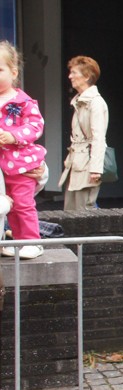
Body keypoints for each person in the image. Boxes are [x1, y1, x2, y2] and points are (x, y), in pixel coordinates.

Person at [0, 42, 46, 259]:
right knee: (8, 207)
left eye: (0, 70)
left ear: (14, 72)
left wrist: (14, 136)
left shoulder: (23, 101)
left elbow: (36, 125)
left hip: (19, 163)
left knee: (22, 204)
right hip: (3, 167)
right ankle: (18, 242)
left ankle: (31, 242)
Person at [58, 56, 108, 211]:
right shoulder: (80, 101)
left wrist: (96, 169)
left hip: (86, 164)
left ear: (86, 76)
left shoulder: (95, 103)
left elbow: (99, 138)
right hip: (76, 163)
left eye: (74, 72)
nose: (70, 76)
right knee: (70, 210)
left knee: (84, 211)